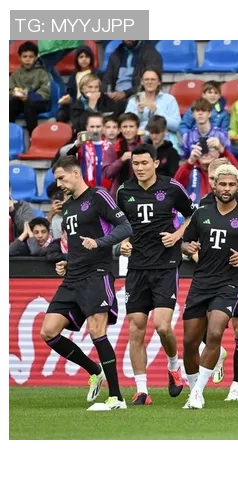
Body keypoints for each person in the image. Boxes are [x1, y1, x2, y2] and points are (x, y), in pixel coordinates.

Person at [40, 155, 133, 410]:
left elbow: (125, 227)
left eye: (61, 178)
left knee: (96, 332)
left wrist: (100, 243)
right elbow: (76, 246)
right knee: (48, 331)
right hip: (73, 278)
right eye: (57, 180)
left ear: (75, 173)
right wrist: (66, 262)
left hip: (97, 273)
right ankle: (94, 370)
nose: (59, 184)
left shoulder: (98, 196)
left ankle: (117, 397)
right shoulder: (68, 207)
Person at [180, 164, 238, 409]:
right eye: (223, 184)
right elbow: (185, 243)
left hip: (229, 282)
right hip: (201, 282)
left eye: (231, 184)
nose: (227, 188)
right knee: (189, 342)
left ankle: (198, 393)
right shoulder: (201, 213)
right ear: (214, 186)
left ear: (237, 186)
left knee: (215, 333)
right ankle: (193, 388)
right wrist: (189, 248)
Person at [116, 144, 195, 405]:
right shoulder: (124, 191)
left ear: (155, 163)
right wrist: (123, 243)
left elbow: (192, 217)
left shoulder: (171, 187)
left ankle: (173, 365)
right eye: (135, 164)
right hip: (136, 267)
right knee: (136, 328)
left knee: (162, 326)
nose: (139, 168)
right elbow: (118, 225)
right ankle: (142, 390)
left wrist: (177, 235)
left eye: (144, 163)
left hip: (165, 265)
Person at [198, 160, 238, 401]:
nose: (221, 184)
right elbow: (194, 238)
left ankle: (237, 385)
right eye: (214, 177)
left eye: (226, 179)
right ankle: (218, 354)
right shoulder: (203, 204)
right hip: (210, 275)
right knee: (205, 326)